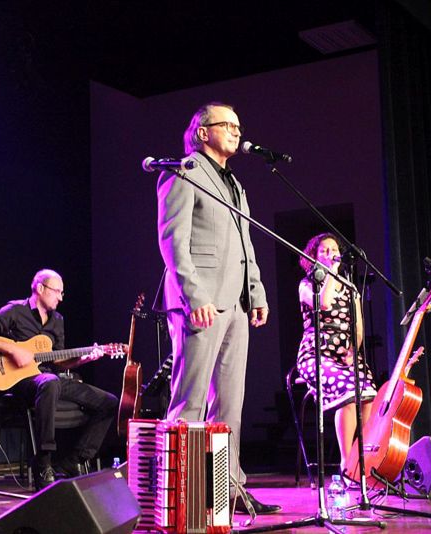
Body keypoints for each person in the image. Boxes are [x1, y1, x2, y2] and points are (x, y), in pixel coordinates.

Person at [156, 102, 279, 514]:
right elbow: (172, 242)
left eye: (238, 126)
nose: (236, 131)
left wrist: (256, 292)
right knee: (190, 402)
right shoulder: (183, 171)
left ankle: (227, 490)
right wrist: (194, 297)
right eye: (227, 124)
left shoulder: (236, 185)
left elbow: (246, 244)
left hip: (236, 304)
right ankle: (184, 495)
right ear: (202, 132)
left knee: (230, 405)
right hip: (201, 303)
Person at [0, 269, 118, 490]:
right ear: (40, 288)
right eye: (57, 291)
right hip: (20, 382)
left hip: (49, 381)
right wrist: (12, 350)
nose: (61, 297)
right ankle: (43, 461)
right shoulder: (16, 310)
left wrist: (83, 359)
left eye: (62, 293)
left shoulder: (57, 320)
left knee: (109, 402)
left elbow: (59, 361)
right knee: (49, 382)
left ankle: (75, 459)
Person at [296, 233, 377, 481]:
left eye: (334, 250)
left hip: (345, 355)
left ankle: (359, 460)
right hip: (316, 354)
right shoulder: (307, 285)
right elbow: (324, 303)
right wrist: (331, 273)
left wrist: (353, 349)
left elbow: (358, 326)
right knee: (349, 392)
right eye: (324, 250)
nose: (330, 254)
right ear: (314, 257)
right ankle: (345, 464)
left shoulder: (351, 289)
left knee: (369, 394)